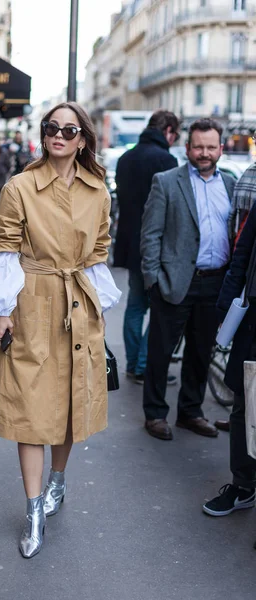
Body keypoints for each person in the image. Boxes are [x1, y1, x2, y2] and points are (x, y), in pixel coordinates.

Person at [0, 102, 121, 558]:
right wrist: (1, 312)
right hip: (30, 303)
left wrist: (99, 302)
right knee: (29, 409)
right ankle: (34, 508)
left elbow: (99, 247)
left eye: (69, 129)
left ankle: (58, 481)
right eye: (51, 127)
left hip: (79, 301)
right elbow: (3, 247)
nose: (59, 134)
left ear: (82, 139)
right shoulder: (19, 186)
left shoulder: (98, 190)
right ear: (44, 134)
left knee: (71, 404)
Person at [140, 118, 236, 441]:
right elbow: (150, 234)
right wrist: (152, 280)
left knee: (200, 350)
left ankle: (190, 412)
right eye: (199, 146)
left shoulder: (232, 184)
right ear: (187, 148)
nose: (205, 153)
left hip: (215, 282)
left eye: (211, 147)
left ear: (221, 149)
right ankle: (154, 414)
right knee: (160, 351)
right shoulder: (166, 182)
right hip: (175, 281)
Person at [114, 110, 179, 385]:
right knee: (164, 309)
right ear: (169, 131)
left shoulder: (125, 158)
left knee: (135, 305)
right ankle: (142, 364)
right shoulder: (167, 160)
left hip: (130, 244)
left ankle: (133, 363)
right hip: (157, 247)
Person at [202, 201, 256, 520]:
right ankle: (244, 484)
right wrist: (225, 309)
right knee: (243, 401)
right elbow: (242, 254)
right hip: (254, 322)